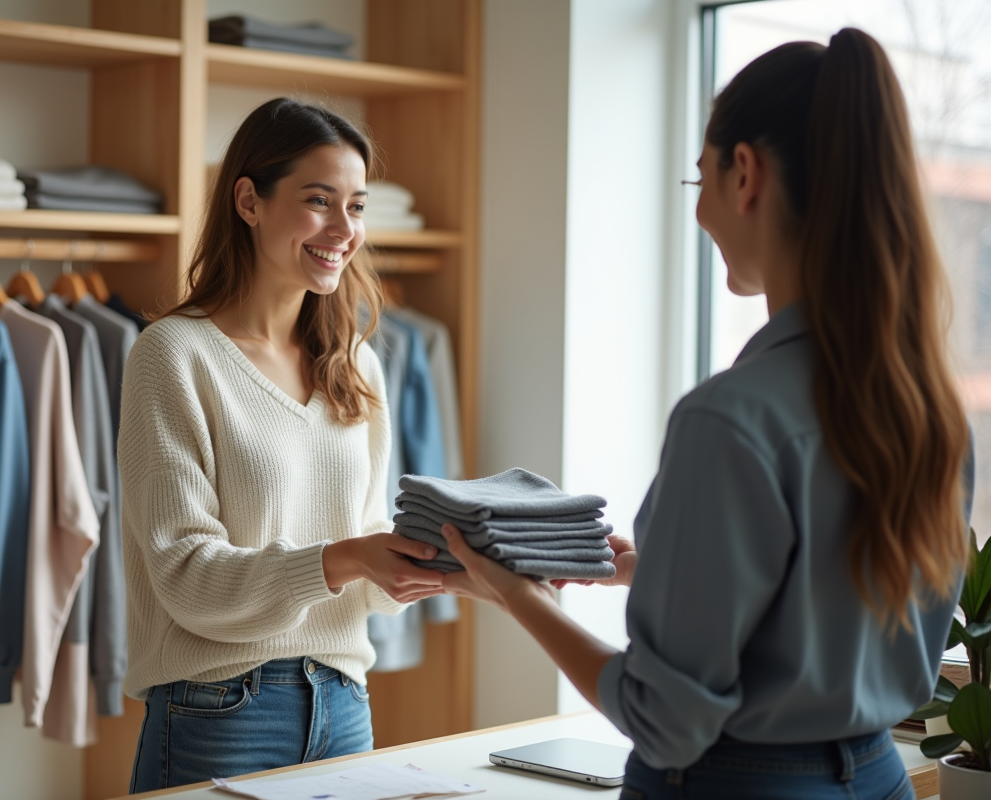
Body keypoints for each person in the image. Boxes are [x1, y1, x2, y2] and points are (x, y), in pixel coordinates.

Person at [439, 28, 973, 800]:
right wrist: (657, 576)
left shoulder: (729, 420)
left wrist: (515, 595)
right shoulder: (929, 413)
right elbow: (829, 613)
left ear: (745, 172)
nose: (701, 214)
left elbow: (663, 718)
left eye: (701, 183)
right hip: (879, 779)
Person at [118, 98, 444, 793]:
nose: (343, 229)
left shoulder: (358, 364)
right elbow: (184, 575)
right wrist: (350, 558)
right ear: (249, 200)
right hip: (218, 712)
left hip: (345, 702)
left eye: (356, 206)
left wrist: (428, 565)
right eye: (319, 200)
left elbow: (365, 543)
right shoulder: (172, 356)